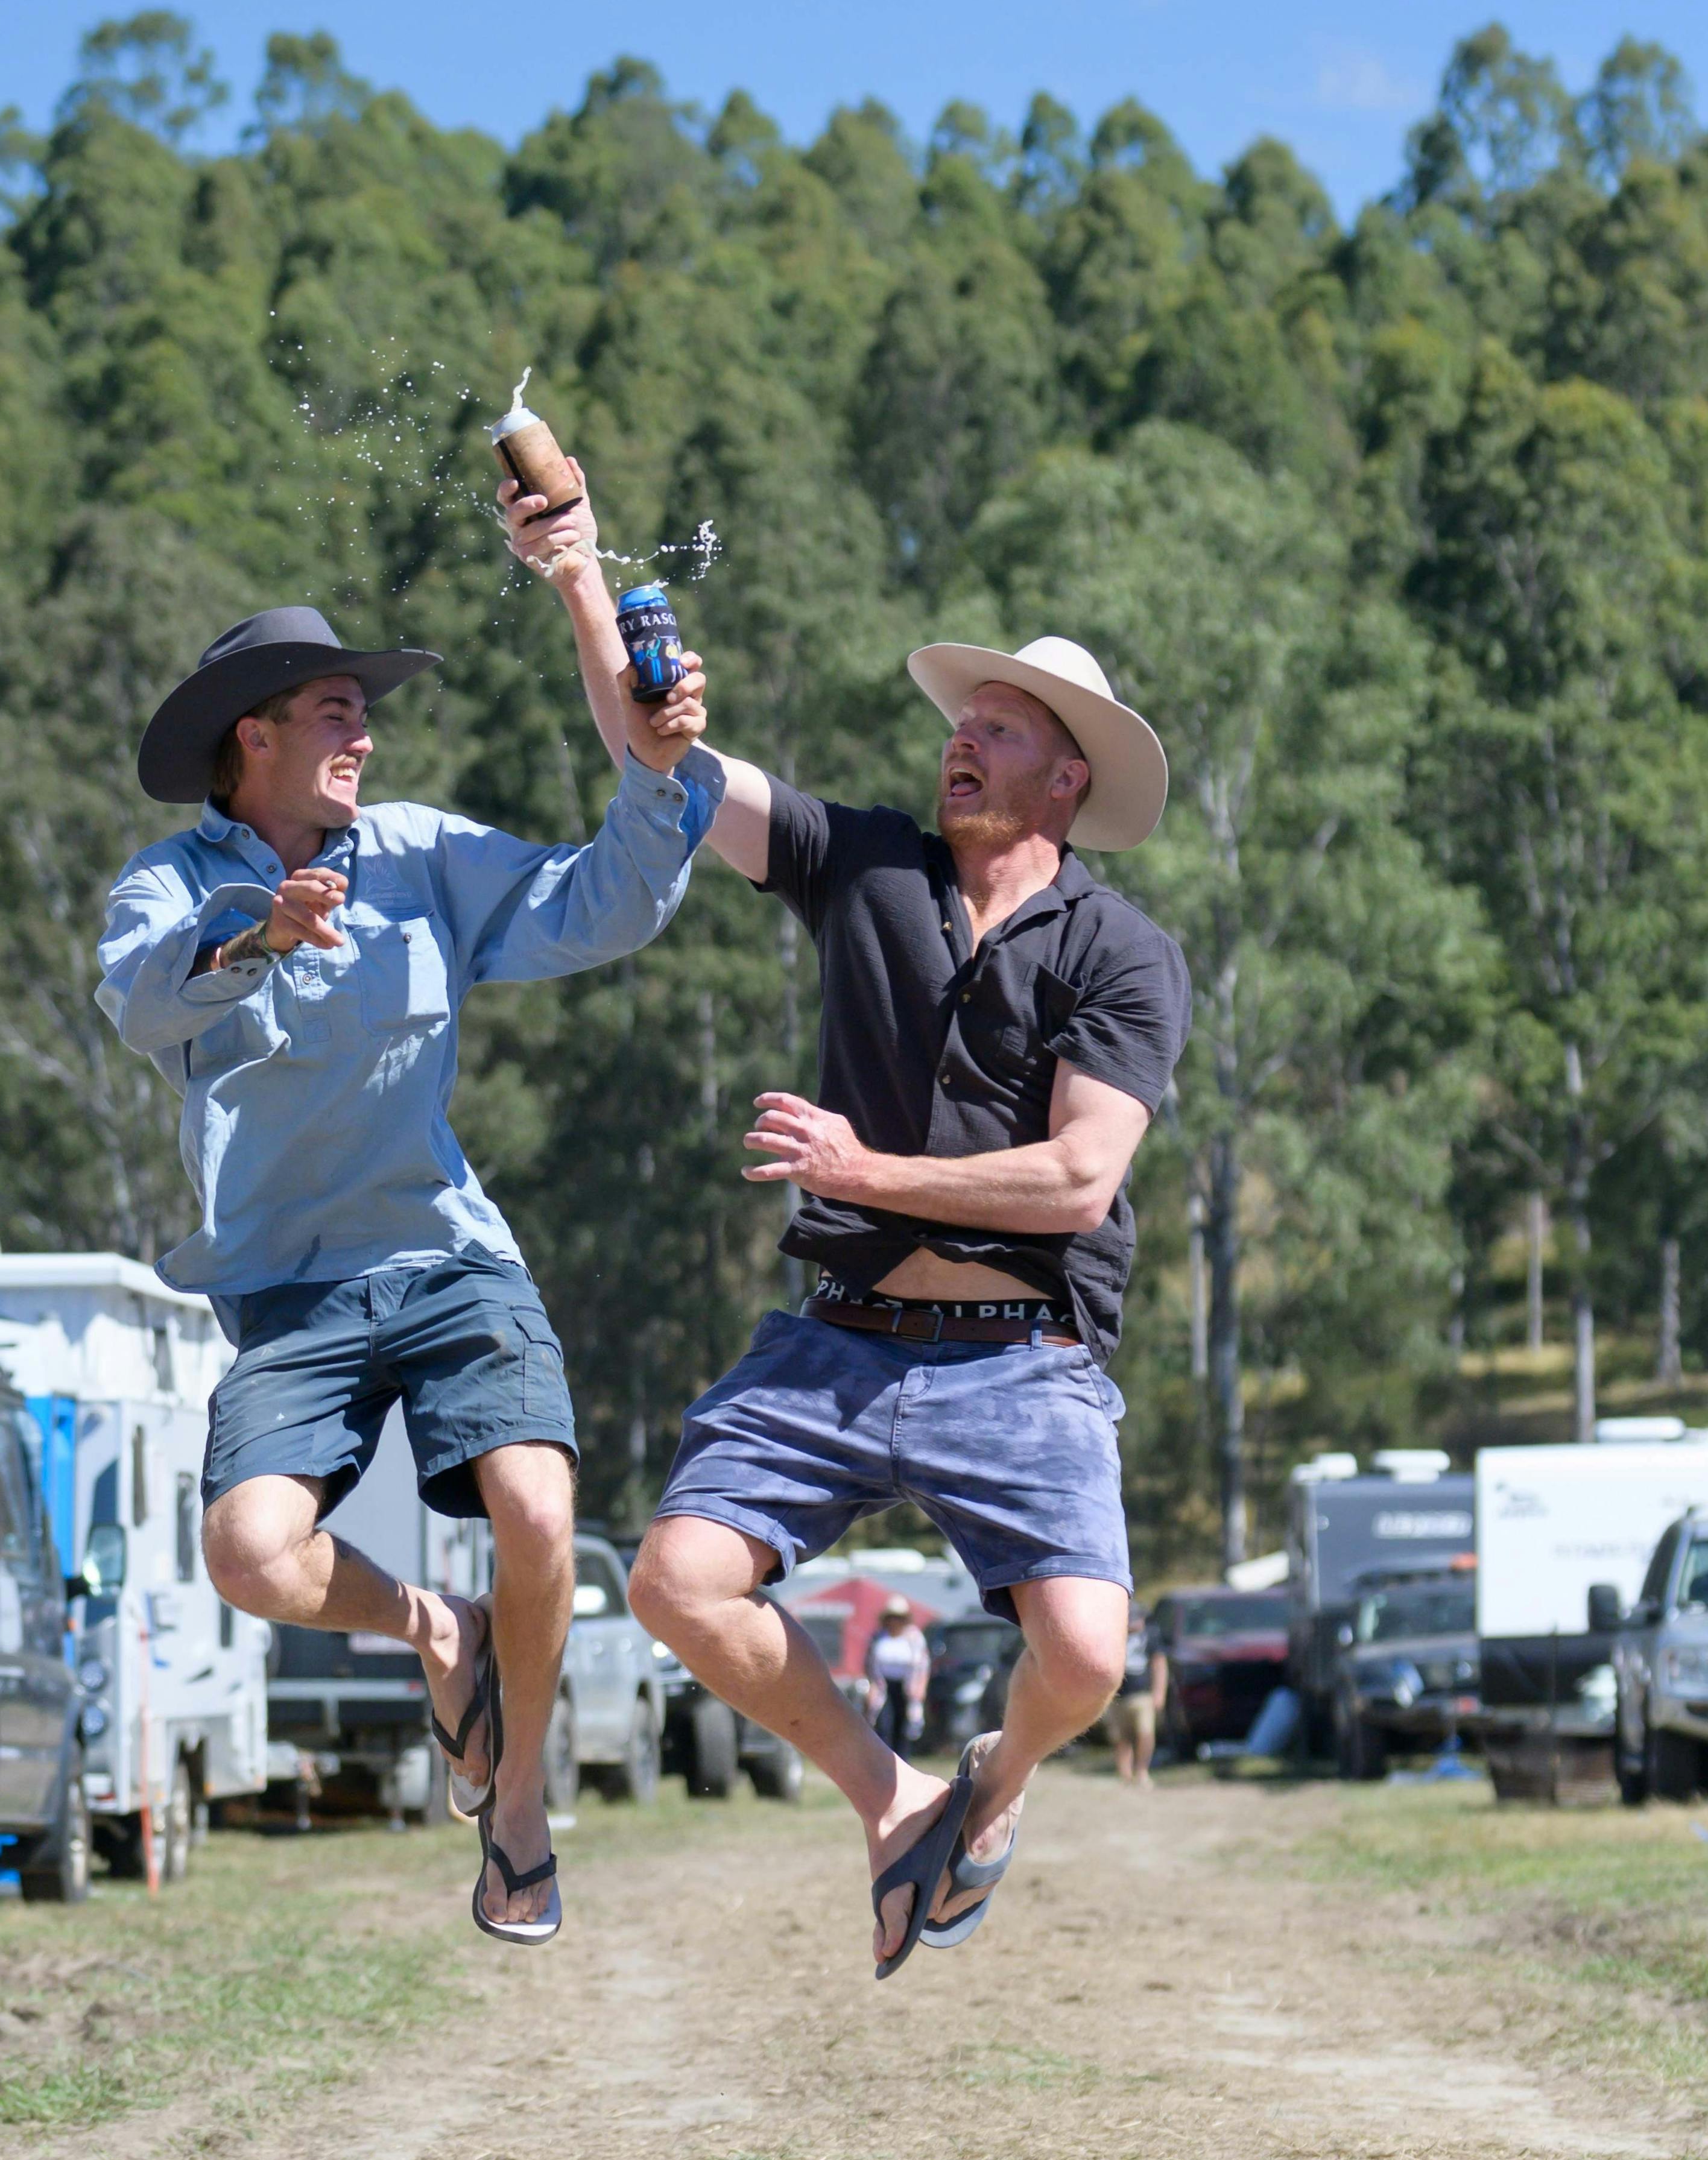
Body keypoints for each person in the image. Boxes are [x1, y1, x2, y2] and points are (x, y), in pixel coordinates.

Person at [496, 470, 1189, 1978]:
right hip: (843, 1342)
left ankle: (993, 1785)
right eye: (965, 720)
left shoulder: (1125, 953)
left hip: (1024, 1358)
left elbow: (1078, 1181)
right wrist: (577, 582)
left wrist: (862, 1170)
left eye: (1002, 731)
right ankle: (896, 1801)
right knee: (675, 1581)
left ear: (1068, 782)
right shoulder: (861, 863)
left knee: (1083, 1657)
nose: (965, 741)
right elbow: (669, 760)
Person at [95, 570, 718, 1945]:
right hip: (291, 1289)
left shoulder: (426, 854)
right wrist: (256, 932)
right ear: (250, 736)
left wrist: (660, 775)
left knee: (543, 1517)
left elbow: (600, 903)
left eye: (365, 712)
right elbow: (140, 1002)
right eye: (336, 709)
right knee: (251, 1556)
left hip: (447, 1257)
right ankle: (442, 1633)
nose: (364, 732)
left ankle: (519, 1812)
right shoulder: (167, 885)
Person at [1107, 1599, 1169, 1785]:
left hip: (1143, 1694)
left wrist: (1159, 1693)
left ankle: (1142, 1770)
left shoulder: (1151, 1636)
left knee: (1145, 1733)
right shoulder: (1113, 1635)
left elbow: (1159, 1665)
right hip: (1116, 1695)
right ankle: (1125, 1773)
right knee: (1120, 1737)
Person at [864, 1600, 932, 1751]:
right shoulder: (879, 1637)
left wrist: (921, 1686)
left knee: (904, 1726)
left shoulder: (914, 1638)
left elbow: (923, 1664)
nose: (895, 1621)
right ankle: (885, 1760)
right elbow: (869, 1664)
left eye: (899, 1617)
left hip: (906, 1686)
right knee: (884, 1724)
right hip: (884, 1686)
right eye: (892, 1617)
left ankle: (903, 1760)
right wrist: (872, 1686)